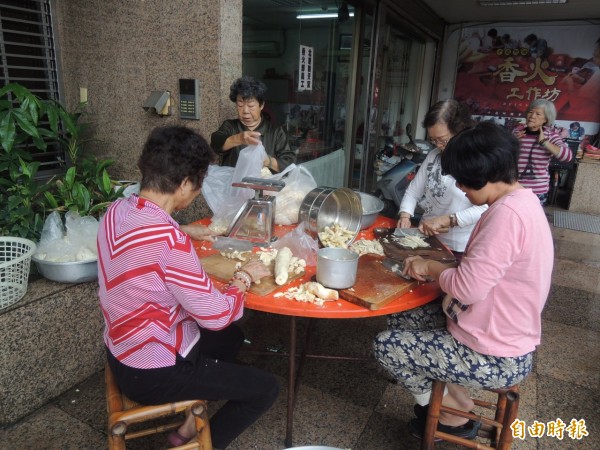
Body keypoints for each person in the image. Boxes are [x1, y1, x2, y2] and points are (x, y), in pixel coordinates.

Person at [98, 126, 278, 449]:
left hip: (119, 353)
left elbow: (146, 237)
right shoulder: (171, 243)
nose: (197, 192)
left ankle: (184, 428)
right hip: (154, 372)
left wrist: (183, 228)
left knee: (232, 339)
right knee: (265, 388)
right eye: (198, 185)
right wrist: (244, 278)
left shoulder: (115, 211)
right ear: (183, 184)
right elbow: (218, 314)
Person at [374, 122, 554, 441]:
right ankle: (459, 401)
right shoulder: (519, 201)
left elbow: (468, 287)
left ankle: (446, 418)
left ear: (480, 174)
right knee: (403, 316)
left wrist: (430, 266)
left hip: (495, 355)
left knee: (387, 346)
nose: (460, 188)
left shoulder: (506, 217)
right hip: (492, 331)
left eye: (461, 180)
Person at [397, 99, 487, 255]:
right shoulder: (434, 156)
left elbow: (486, 207)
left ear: (460, 131)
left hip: (456, 245)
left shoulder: (475, 160)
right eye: (433, 140)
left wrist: (451, 219)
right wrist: (405, 214)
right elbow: (414, 191)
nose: (438, 145)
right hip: (426, 238)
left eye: (442, 139)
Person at [211, 75, 296, 172]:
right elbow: (215, 142)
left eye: (251, 105)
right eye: (240, 105)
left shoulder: (275, 131)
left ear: (262, 105)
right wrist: (239, 138)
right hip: (234, 184)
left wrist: (267, 161)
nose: (245, 110)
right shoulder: (230, 126)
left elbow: (289, 163)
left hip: (265, 185)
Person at [513, 99, 571, 205]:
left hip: (537, 191)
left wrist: (544, 142)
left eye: (538, 114)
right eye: (530, 112)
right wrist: (511, 142)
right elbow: (503, 156)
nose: (532, 116)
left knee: (532, 220)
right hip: (513, 187)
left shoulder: (551, 136)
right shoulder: (517, 133)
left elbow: (567, 157)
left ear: (545, 119)